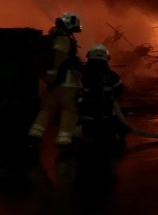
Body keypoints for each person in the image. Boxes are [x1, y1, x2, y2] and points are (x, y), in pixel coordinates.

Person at [27, 12, 84, 149]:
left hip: (52, 84)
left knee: (46, 110)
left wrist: (50, 80)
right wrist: (68, 69)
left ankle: (34, 136)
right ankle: (64, 141)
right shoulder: (63, 40)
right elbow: (59, 58)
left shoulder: (52, 38)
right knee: (68, 111)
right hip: (66, 84)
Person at [76, 43, 129, 148]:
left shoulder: (81, 74)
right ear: (106, 59)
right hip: (106, 119)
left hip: (85, 120)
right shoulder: (112, 76)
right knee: (122, 130)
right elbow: (120, 90)